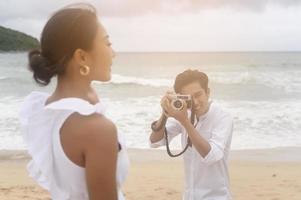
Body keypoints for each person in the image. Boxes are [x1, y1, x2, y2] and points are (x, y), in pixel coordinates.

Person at [19, 4, 129, 200]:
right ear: (81, 56)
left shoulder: (46, 111)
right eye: (107, 43)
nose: (114, 53)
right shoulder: (97, 129)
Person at [149, 69, 233, 200]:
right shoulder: (185, 114)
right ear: (181, 98)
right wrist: (165, 113)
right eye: (188, 98)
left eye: (198, 95)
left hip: (216, 196)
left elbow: (212, 156)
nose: (195, 102)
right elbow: (155, 141)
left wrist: (185, 122)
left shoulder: (222, 117)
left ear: (208, 92)